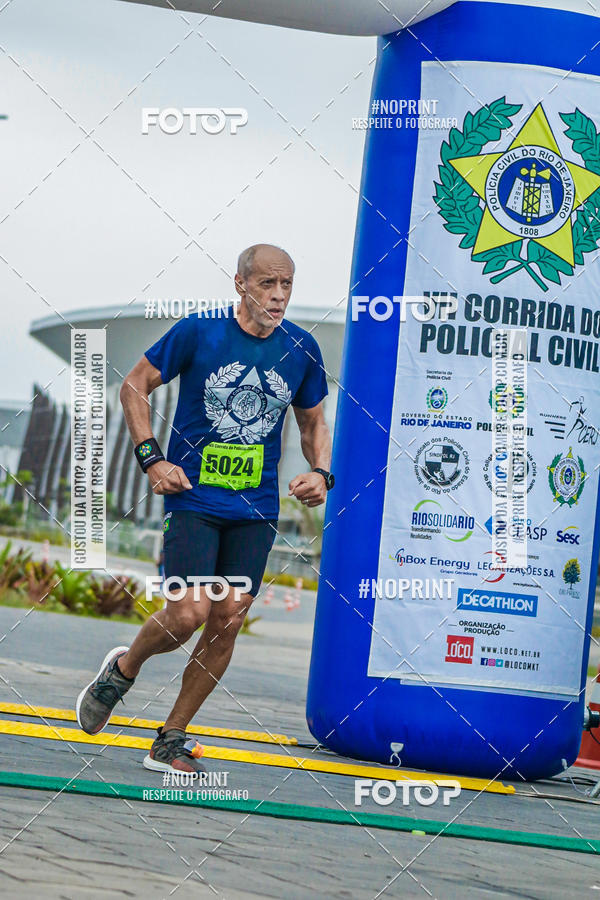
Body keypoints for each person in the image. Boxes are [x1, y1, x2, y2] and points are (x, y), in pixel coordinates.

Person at [75, 244, 335, 773]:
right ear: (240, 284)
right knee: (188, 613)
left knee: (227, 617)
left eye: (286, 285)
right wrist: (152, 459)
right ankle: (122, 670)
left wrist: (321, 472)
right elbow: (134, 384)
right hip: (192, 497)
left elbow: (312, 424)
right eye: (267, 284)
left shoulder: (302, 350)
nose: (279, 295)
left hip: (254, 507)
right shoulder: (199, 331)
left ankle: (170, 740)